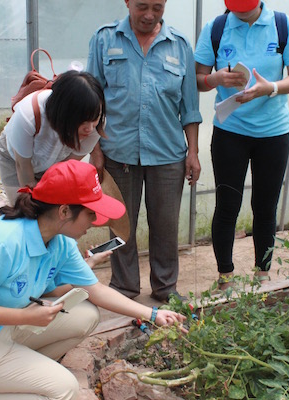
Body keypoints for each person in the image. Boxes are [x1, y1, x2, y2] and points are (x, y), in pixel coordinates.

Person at [0, 160, 186, 400]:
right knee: (65, 390)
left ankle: (15, 375)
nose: (95, 222)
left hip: (1, 326)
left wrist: (153, 314)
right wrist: (26, 318)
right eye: (90, 213)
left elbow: (94, 290)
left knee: (85, 314)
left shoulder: (61, 242)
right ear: (64, 211)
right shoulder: (1, 242)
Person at [86, 0, 202, 302]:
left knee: (165, 225)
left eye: (157, 7)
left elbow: (190, 107)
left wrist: (193, 152)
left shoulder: (179, 46)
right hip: (118, 151)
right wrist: (95, 151)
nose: (149, 15)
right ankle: (124, 288)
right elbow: (90, 101)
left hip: (168, 153)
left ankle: (165, 288)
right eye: (141, 6)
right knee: (120, 224)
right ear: (127, 2)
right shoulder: (104, 39)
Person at [194, 0, 289, 288]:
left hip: (273, 134)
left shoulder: (283, 25)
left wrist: (270, 88)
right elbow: (197, 80)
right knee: (227, 205)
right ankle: (226, 276)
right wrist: (215, 78)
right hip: (229, 131)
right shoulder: (216, 28)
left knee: (265, 206)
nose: (241, 12)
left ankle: (262, 274)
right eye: (235, 7)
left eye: (246, 6)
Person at [0, 70, 107, 205]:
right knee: (24, 209)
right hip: (16, 161)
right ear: (64, 113)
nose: (89, 128)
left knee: (51, 211)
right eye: (82, 121)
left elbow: (65, 167)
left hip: (55, 162)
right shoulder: (29, 115)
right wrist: (33, 198)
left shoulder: (97, 124)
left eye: (94, 119)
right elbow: (23, 165)